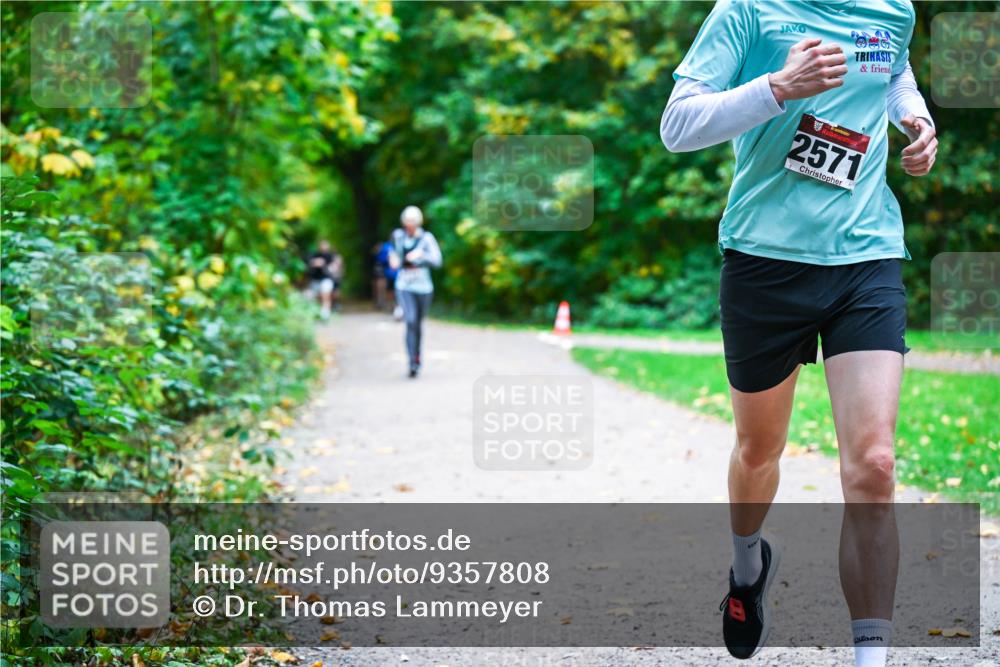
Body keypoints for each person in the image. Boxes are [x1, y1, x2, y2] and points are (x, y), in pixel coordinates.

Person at [661, 1, 937, 665]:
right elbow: (678, 124)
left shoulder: (890, 8)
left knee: (873, 462)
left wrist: (915, 115)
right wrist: (778, 87)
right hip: (765, 260)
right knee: (759, 450)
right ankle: (746, 565)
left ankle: (870, 655)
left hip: (864, 254)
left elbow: (893, 68)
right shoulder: (749, 10)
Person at [389, 205, 442, 378]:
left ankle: (417, 358)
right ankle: (411, 361)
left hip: (424, 288)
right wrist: (394, 260)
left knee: (418, 324)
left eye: (413, 222)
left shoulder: (426, 239)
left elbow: (437, 261)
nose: (409, 225)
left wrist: (421, 255)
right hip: (404, 286)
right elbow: (394, 257)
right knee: (410, 321)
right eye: (407, 222)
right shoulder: (398, 237)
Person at [306, 240, 343, 320]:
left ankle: (325, 315)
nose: (323, 247)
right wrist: (315, 263)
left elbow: (335, 267)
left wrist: (325, 266)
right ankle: (320, 312)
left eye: (325, 245)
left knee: (326, 295)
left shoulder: (331, 256)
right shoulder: (314, 255)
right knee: (317, 297)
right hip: (315, 280)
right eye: (322, 245)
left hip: (326, 279)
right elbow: (309, 264)